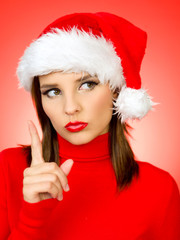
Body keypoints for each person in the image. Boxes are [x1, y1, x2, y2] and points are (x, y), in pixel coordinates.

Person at [0, 12, 179, 240]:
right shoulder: (8, 169)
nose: (70, 107)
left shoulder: (159, 189)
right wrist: (32, 219)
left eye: (87, 85)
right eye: (53, 92)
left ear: (116, 90)